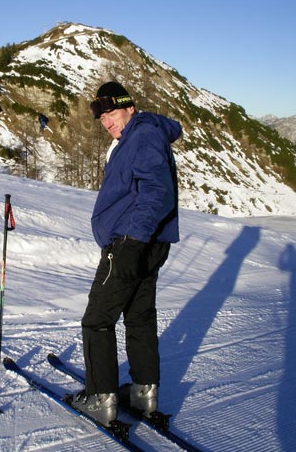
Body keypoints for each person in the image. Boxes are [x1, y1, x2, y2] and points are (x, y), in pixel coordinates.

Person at [70, 81, 182, 427]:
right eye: (101, 118)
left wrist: (132, 241)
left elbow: (157, 191)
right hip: (150, 243)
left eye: (111, 113)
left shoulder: (142, 134)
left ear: (129, 107)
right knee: (139, 317)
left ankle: (100, 397)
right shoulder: (140, 135)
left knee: (97, 320)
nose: (106, 122)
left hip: (131, 244)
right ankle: (142, 394)